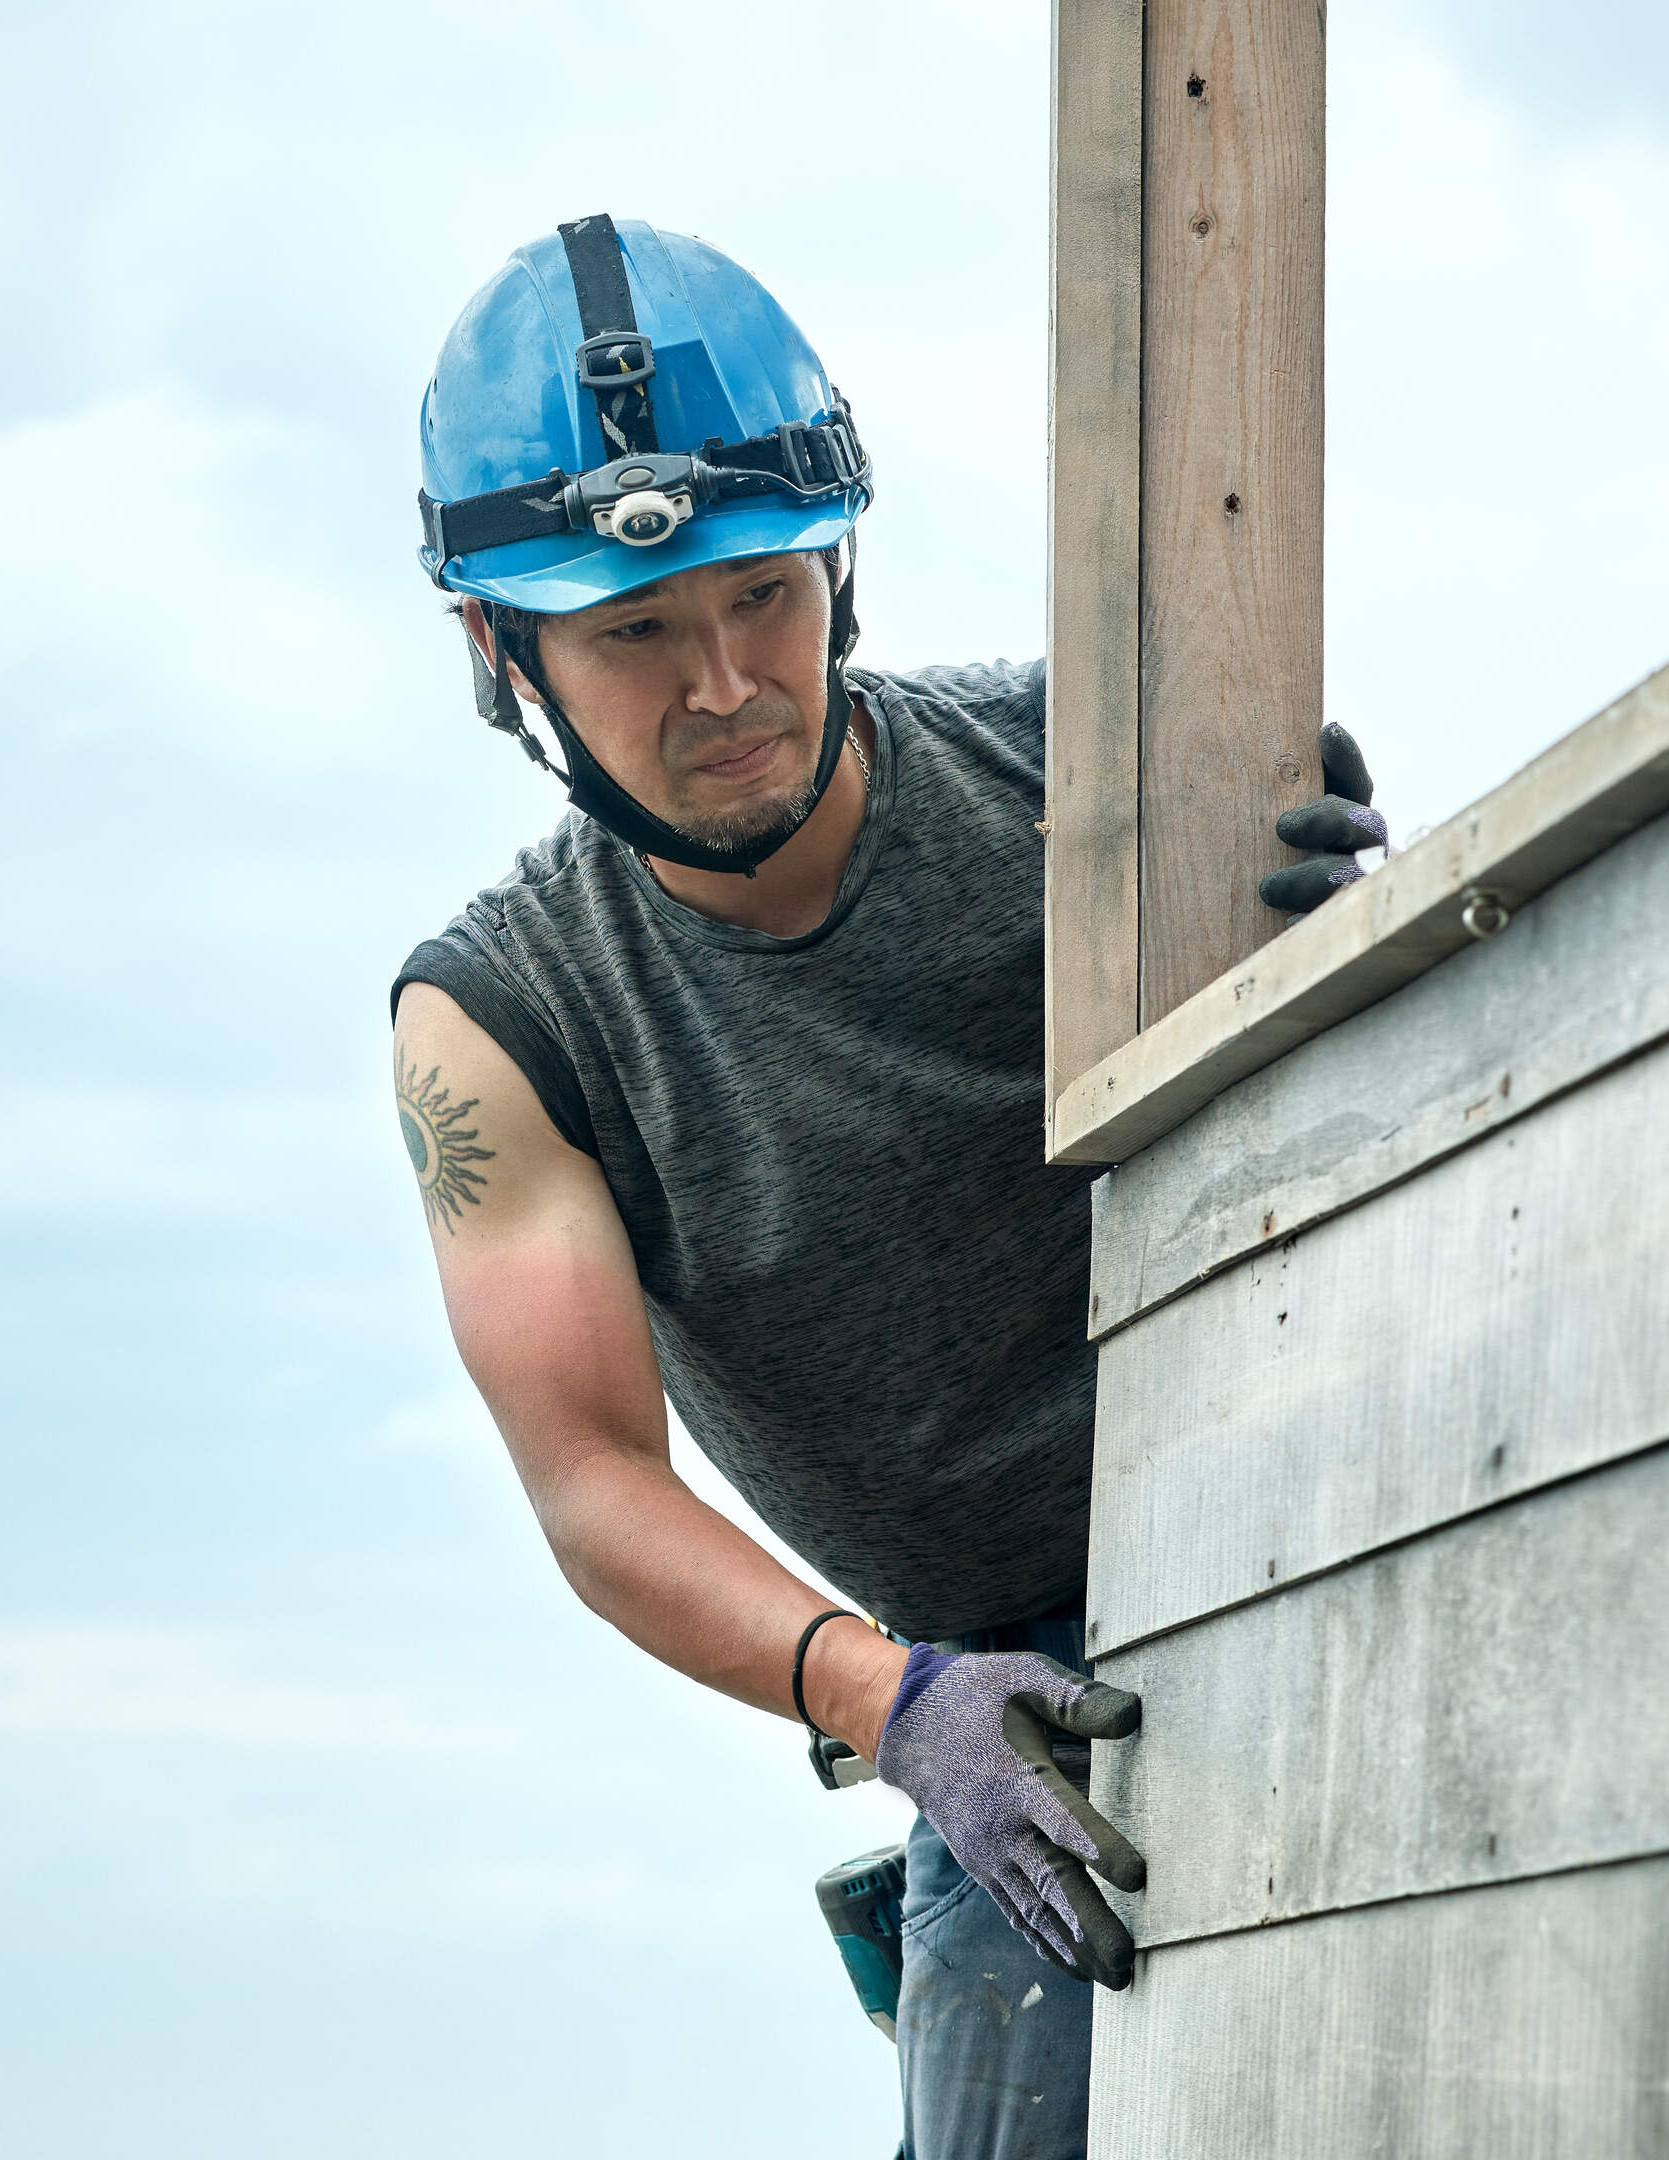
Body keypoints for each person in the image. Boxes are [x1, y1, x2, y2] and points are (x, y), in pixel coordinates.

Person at [387, 214, 1377, 2159]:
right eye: (634, 636)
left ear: (839, 560)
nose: (727, 682)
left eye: (762, 599)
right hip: (1001, 1695)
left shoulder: (1087, 775)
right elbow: (594, 1484)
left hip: (1331, 1515)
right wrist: (894, 1706)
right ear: (505, 657)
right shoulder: (504, 1020)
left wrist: (1372, 956)